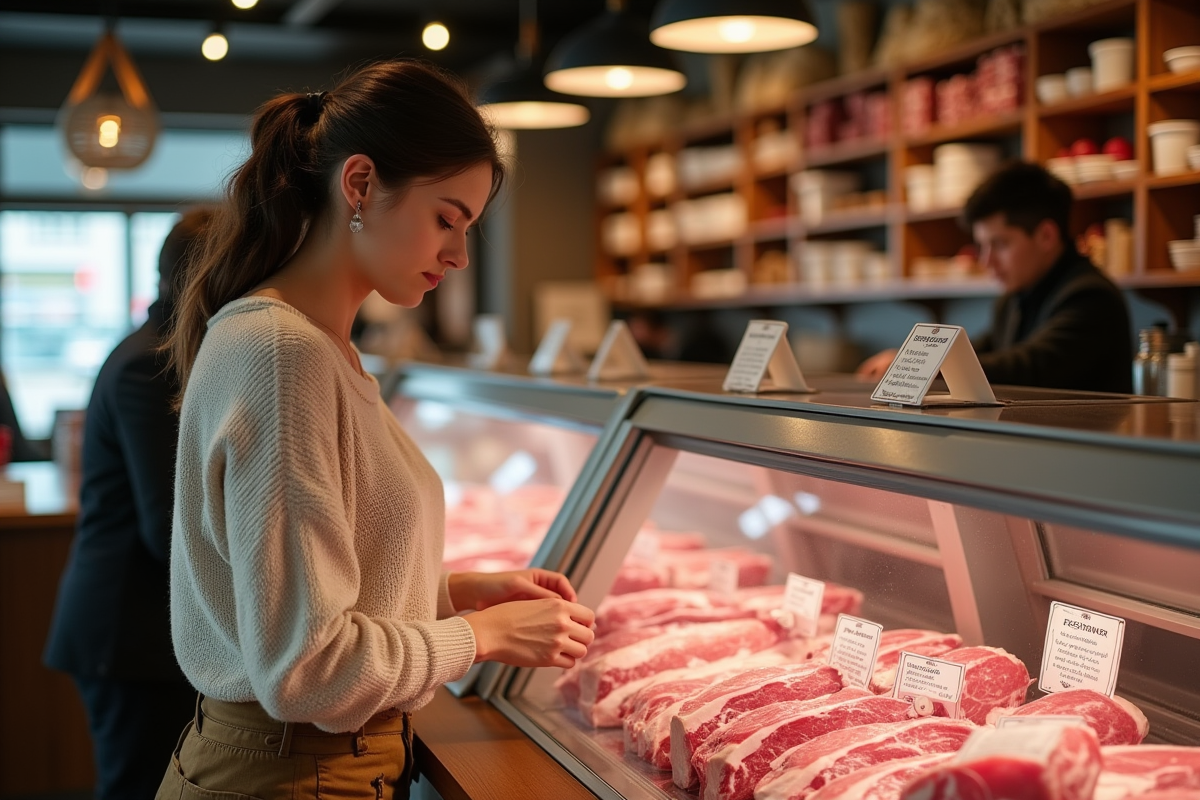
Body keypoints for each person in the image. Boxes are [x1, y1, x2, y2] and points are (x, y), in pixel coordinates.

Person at [158, 60, 594, 800]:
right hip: (294, 772)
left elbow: (318, 595)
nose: (458, 256)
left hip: (313, 763)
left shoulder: (318, 347)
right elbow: (308, 669)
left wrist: (456, 592)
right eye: (446, 219)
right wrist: (483, 639)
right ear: (358, 185)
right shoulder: (282, 355)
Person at [42, 209, 213, 799]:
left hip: (135, 631)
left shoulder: (163, 348)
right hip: (129, 634)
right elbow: (168, 526)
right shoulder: (154, 363)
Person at [858, 161, 1133, 393]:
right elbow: (973, 352)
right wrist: (914, 359)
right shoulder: (1015, 298)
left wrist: (927, 366)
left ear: (1046, 236)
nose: (986, 261)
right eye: (982, 247)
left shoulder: (1091, 297)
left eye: (1000, 244)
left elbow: (1030, 366)